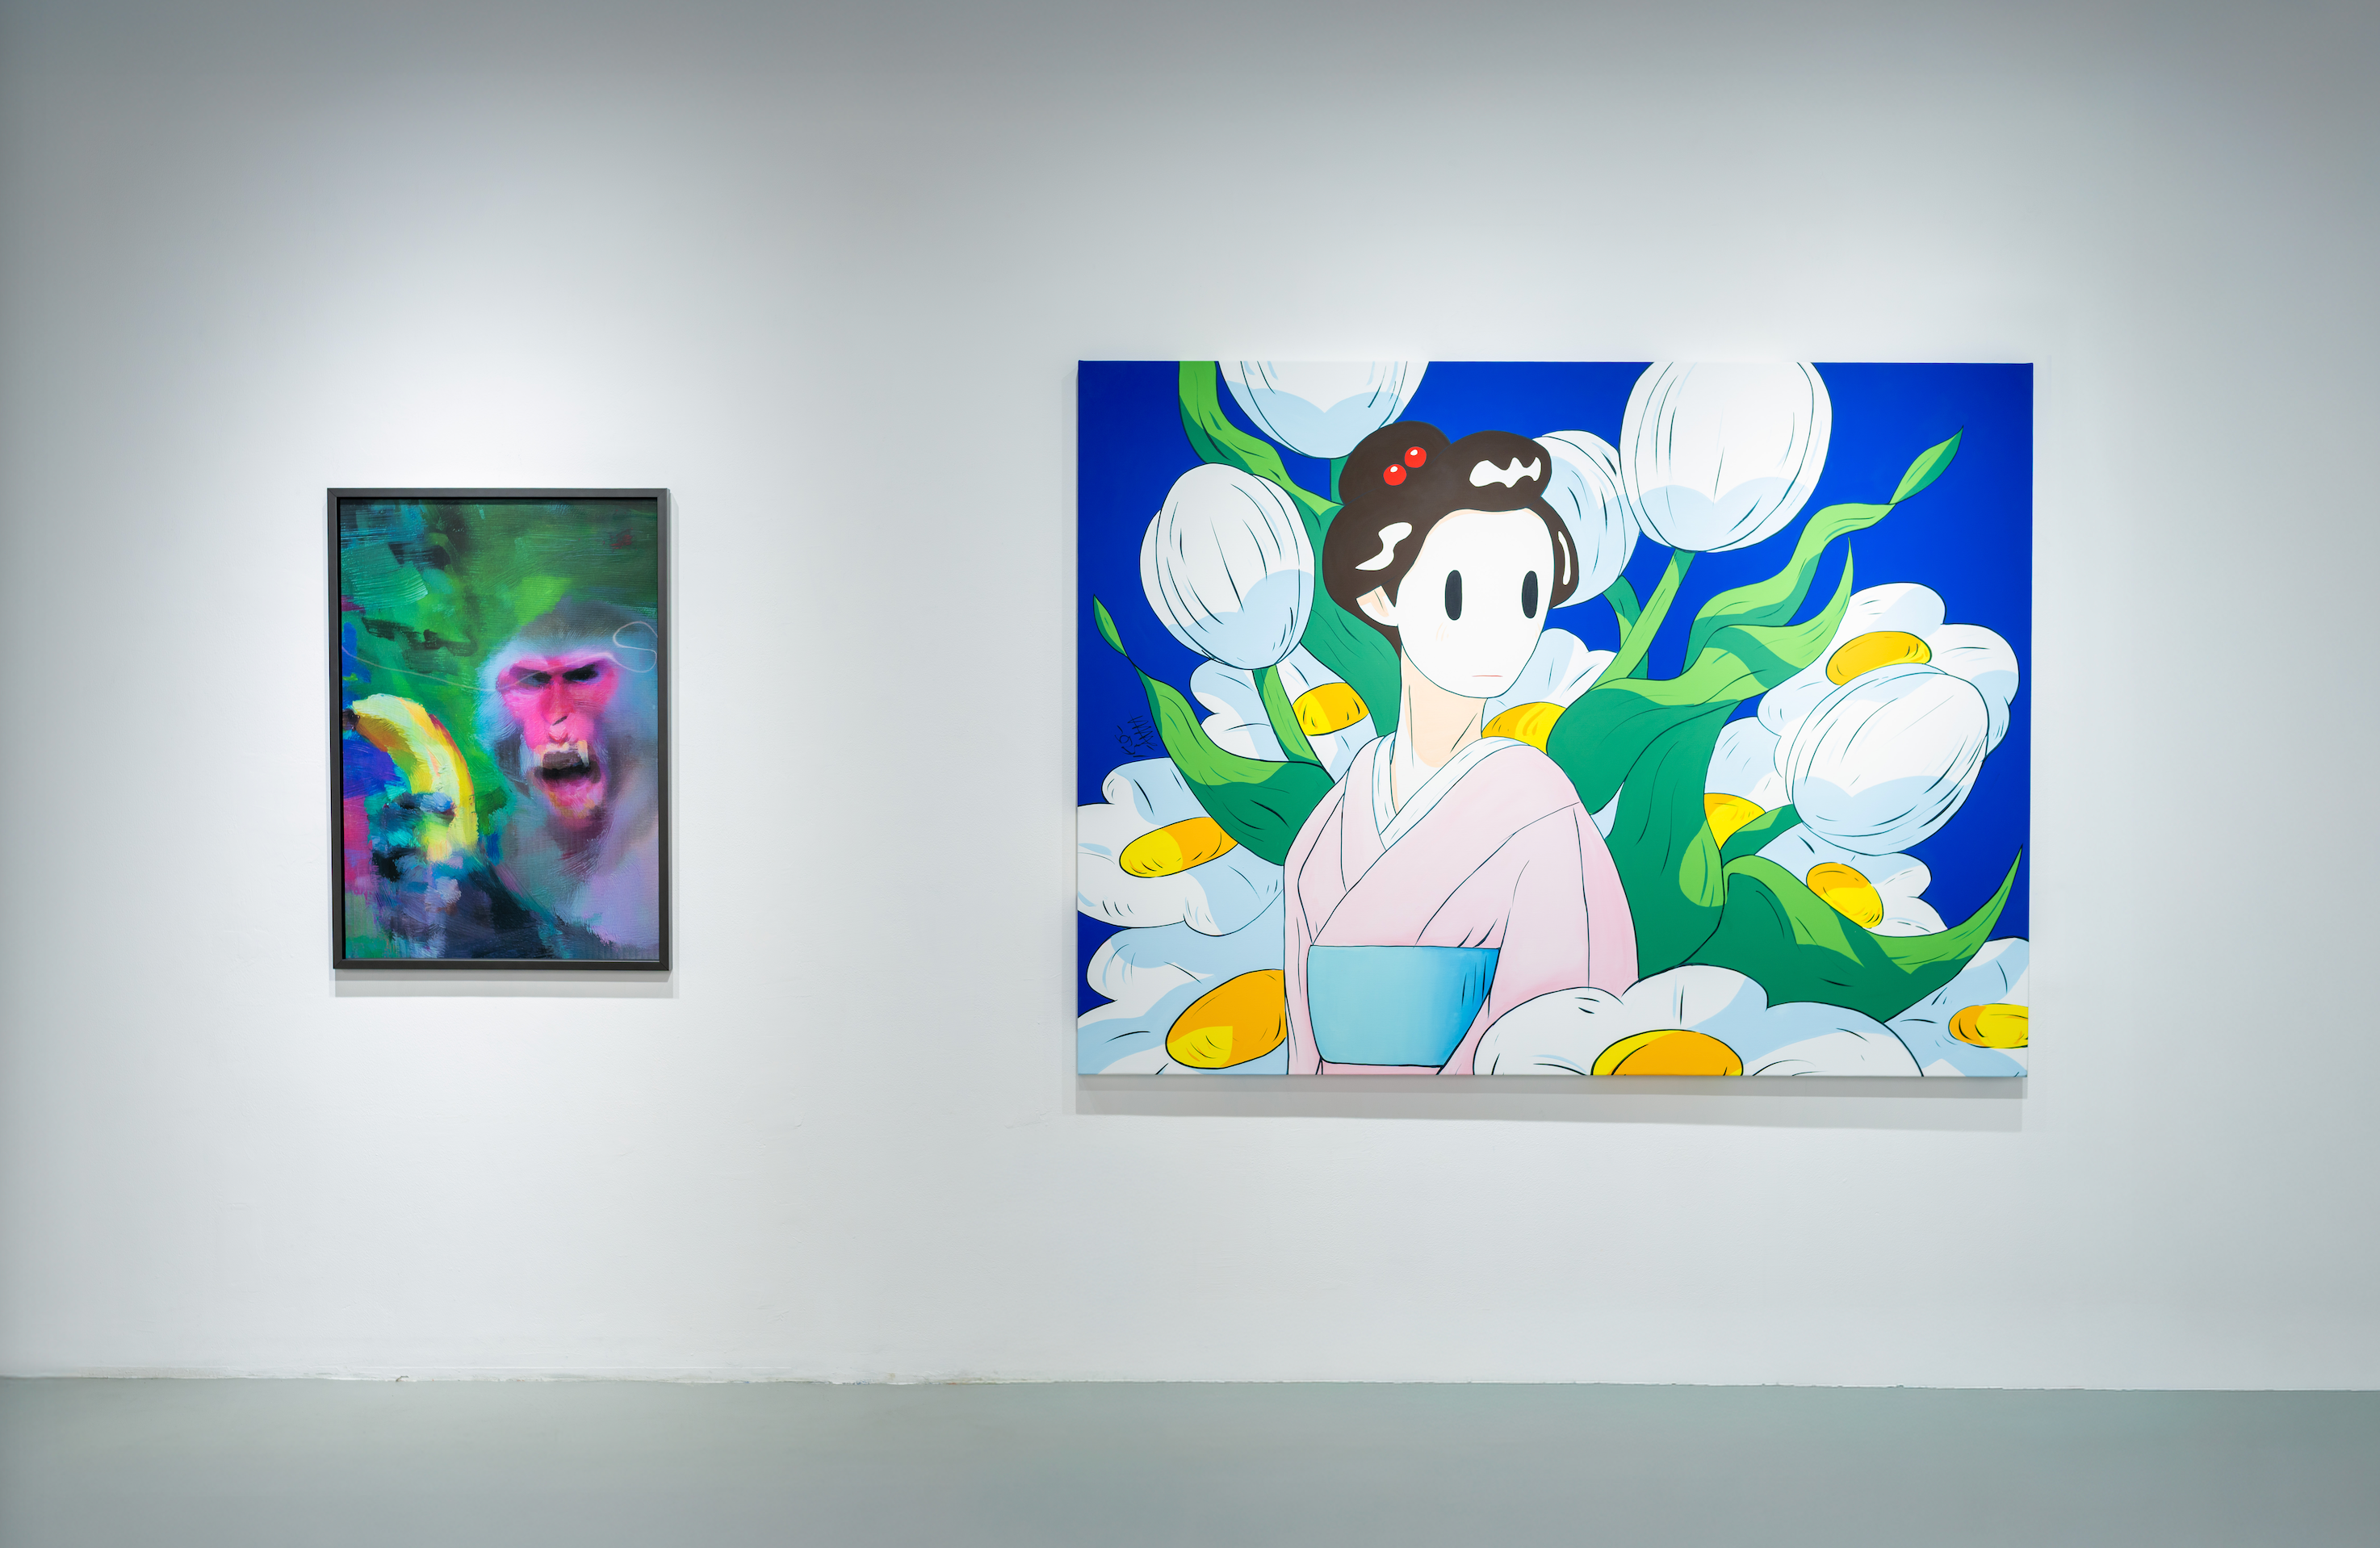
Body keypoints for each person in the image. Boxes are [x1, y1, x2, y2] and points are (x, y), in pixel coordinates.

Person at [1283, 422, 1636, 1073]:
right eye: (1458, 593)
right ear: (1382, 595)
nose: (1501, 628)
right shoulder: (1328, 826)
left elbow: (1558, 1033)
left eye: (1527, 597)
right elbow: (1303, 1044)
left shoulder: (1542, 812)